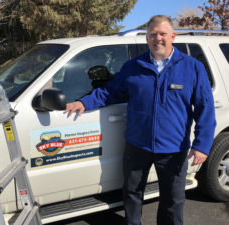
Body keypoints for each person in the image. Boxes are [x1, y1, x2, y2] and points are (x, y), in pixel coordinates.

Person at [64, 15, 216, 225]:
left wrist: (202, 145)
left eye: (163, 34)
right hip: (137, 146)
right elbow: (109, 92)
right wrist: (84, 103)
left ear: (173, 36)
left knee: (173, 201)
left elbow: (205, 108)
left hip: (173, 148)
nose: (158, 39)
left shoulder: (192, 68)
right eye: (153, 34)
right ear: (147, 39)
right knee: (132, 194)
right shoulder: (133, 66)